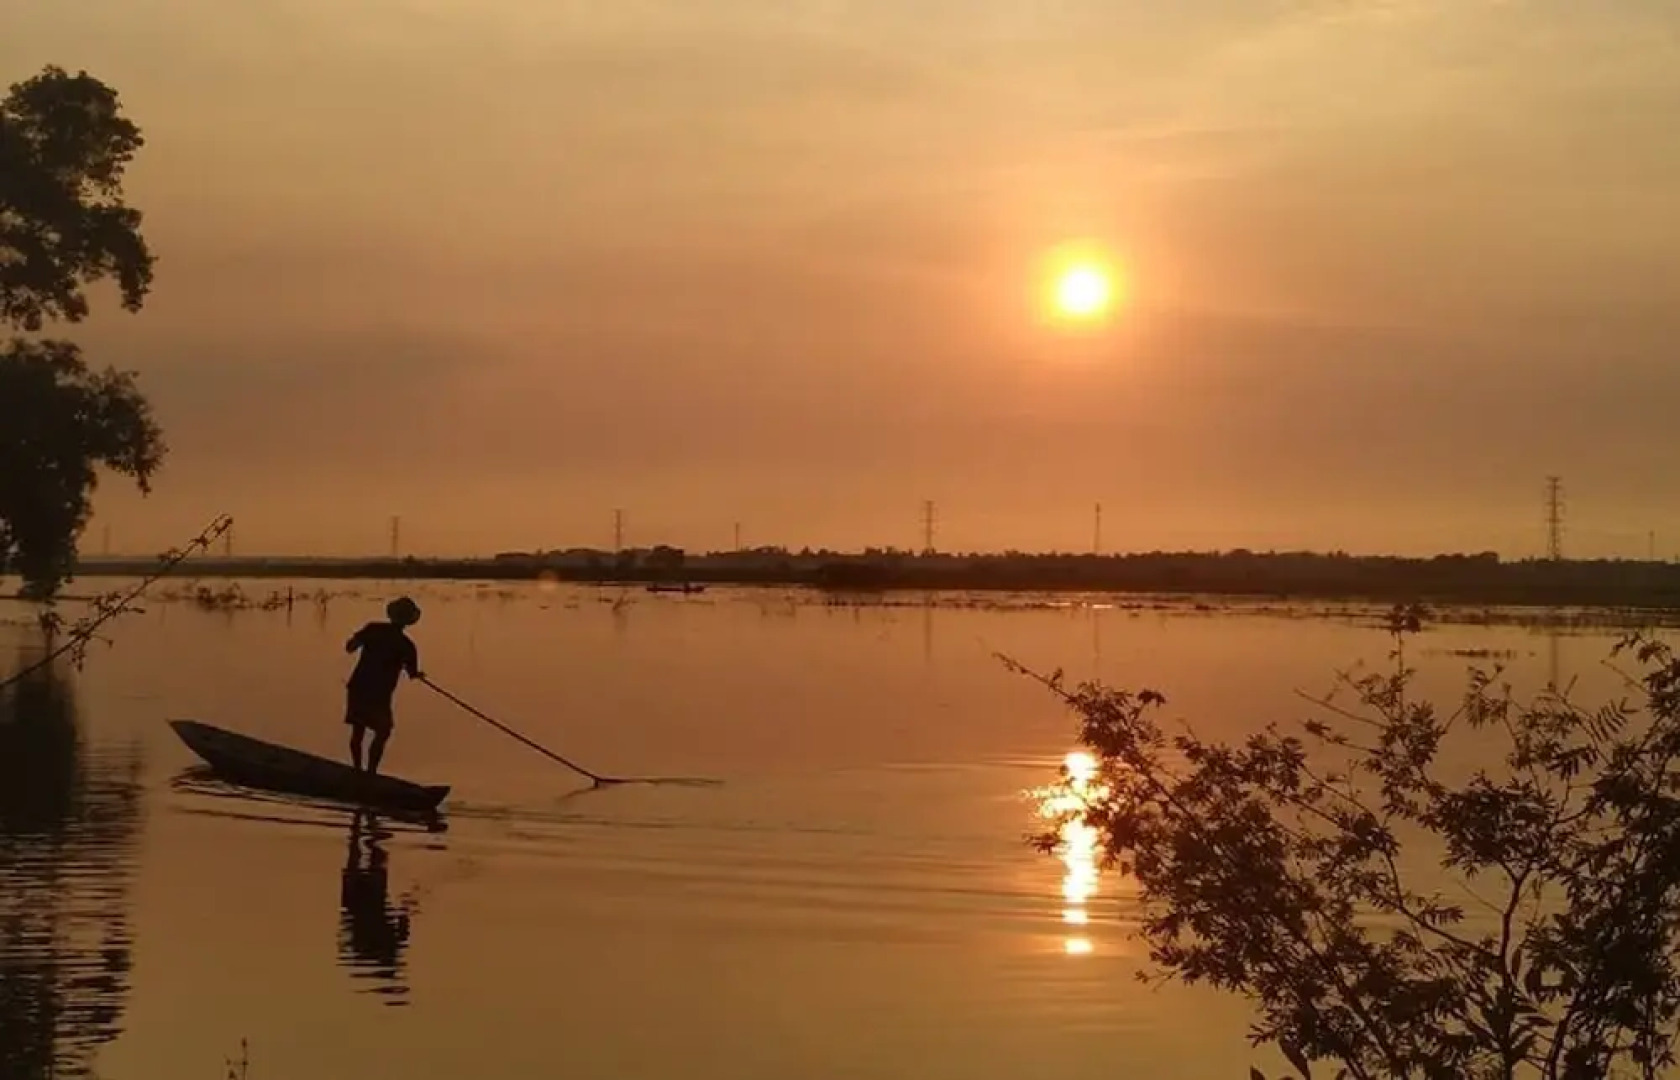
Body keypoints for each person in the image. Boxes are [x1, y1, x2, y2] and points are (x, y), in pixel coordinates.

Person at [344, 596, 425, 775]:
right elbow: (412, 673)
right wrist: (418, 675)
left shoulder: (373, 629)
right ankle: (370, 773)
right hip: (378, 693)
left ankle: (358, 770)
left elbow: (350, 647)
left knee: (359, 730)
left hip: (360, 686)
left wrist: (356, 640)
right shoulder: (407, 645)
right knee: (382, 732)